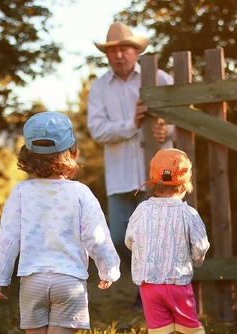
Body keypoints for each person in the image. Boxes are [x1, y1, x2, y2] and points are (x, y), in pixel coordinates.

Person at [0, 111, 121, 334]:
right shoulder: (81, 193)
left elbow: (9, 239)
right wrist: (108, 268)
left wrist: (0, 275)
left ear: (27, 155)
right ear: (72, 152)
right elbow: (96, 235)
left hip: (33, 279)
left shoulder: (21, 192)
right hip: (68, 281)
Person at [88, 22, 176, 308]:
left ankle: (150, 294)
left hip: (156, 174)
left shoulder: (160, 78)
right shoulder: (99, 88)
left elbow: (180, 118)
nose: (119, 55)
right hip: (119, 174)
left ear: (136, 51)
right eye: (112, 50)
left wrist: (167, 130)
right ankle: (145, 284)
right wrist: (132, 124)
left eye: (125, 48)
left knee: (157, 234)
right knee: (118, 236)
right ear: (107, 55)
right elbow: (97, 130)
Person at [124, 148, 220, 334]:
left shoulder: (141, 210)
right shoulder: (188, 213)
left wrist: (143, 252)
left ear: (153, 180)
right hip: (177, 282)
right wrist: (196, 261)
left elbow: (129, 240)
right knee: (191, 326)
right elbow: (201, 245)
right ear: (186, 183)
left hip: (148, 284)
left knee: (160, 330)